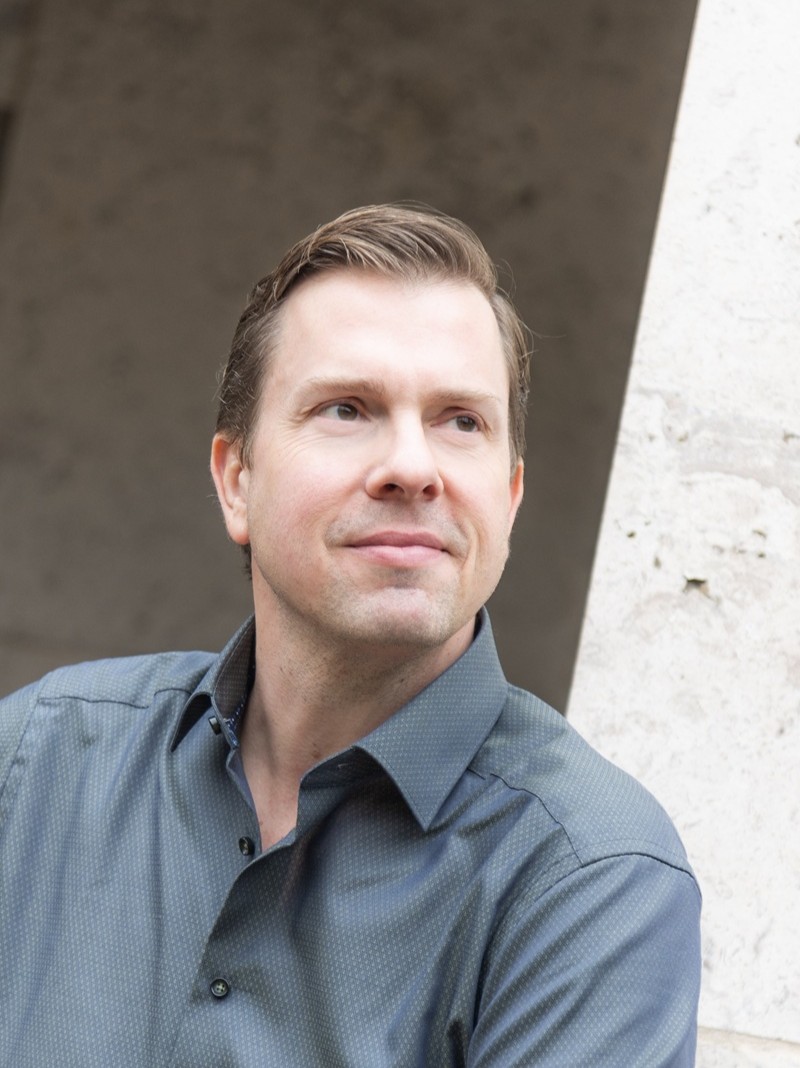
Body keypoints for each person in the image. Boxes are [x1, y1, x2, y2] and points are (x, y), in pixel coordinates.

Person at [0, 204, 701, 1066]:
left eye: (461, 421)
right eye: (347, 408)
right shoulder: (38, 758)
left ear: (510, 499)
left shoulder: (591, 881)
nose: (412, 466)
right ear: (236, 481)